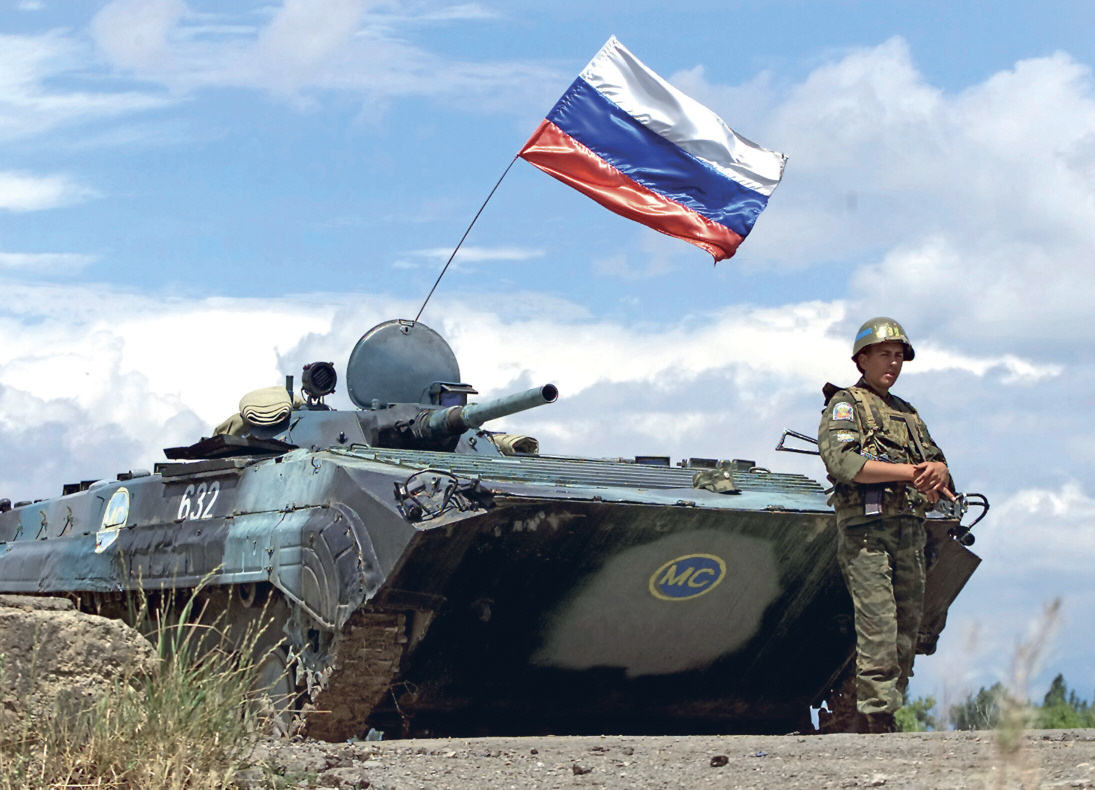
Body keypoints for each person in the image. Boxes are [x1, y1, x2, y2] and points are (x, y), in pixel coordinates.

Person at [817, 317, 954, 734]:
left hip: (910, 529)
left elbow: (935, 462)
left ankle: (881, 713)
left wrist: (939, 471)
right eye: (884, 354)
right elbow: (844, 463)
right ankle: (878, 717)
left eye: (898, 356)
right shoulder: (847, 404)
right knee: (878, 625)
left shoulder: (907, 414)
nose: (893, 363)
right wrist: (910, 473)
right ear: (862, 359)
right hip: (868, 532)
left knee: (906, 628)